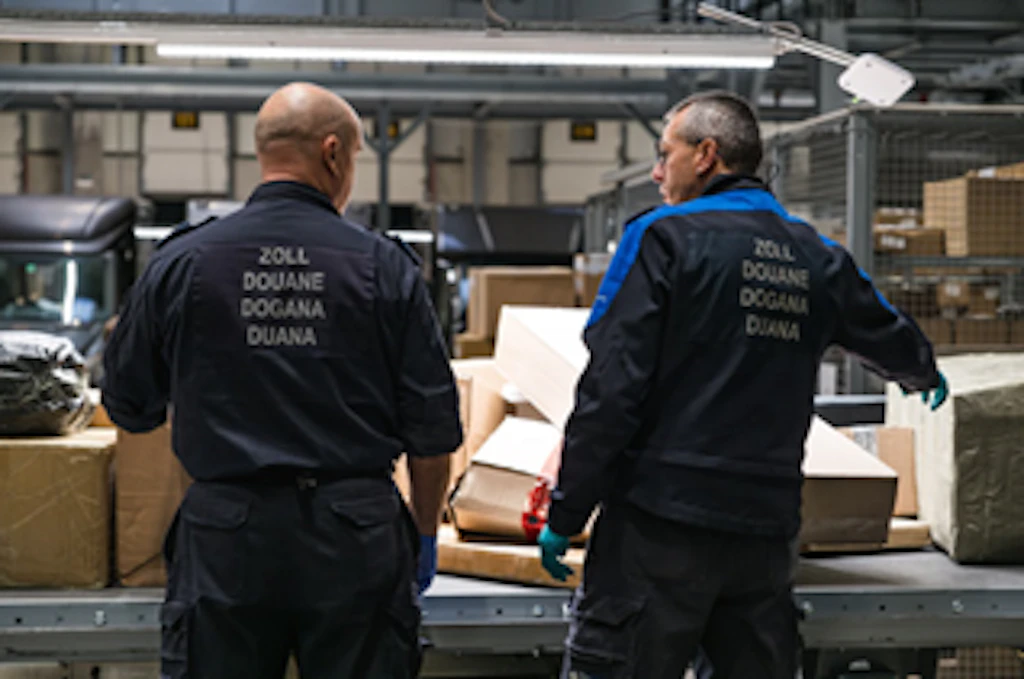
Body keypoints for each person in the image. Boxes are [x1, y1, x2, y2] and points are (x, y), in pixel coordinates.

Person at [538, 90, 948, 679]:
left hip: (659, 528)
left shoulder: (660, 239)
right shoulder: (817, 255)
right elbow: (887, 331)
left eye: (666, 155)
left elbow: (611, 388)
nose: (658, 173)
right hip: (763, 534)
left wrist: (567, 509)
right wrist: (921, 371)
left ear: (706, 155)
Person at [102, 82, 461, 678]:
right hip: (357, 538)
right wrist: (424, 537)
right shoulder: (383, 267)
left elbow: (129, 404)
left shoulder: (183, 262)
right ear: (332, 153)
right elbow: (432, 428)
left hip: (225, 538)